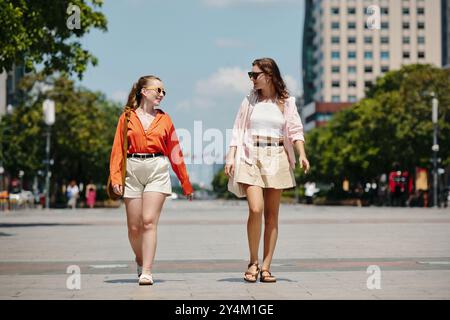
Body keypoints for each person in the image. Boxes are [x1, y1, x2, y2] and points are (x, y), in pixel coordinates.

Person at [225, 58, 310, 283]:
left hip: (278, 157)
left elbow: (295, 130)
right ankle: (253, 261)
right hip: (251, 156)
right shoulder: (249, 101)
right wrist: (231, 156)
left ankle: (266, 266)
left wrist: (301, 154)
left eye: (255, 75)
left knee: (272, 216)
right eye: (250, 75)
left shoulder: (286, 102)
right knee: (256, 209)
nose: (251, 79)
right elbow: (237, 129)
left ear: (269, 75)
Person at [110, 75, 194, 286]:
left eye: (164, 92)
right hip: (132, 170)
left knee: (148, 221)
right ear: (144, 92)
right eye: (158, 90)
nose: (162, 95)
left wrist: (185, 182)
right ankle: (139, 259)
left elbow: (175, 153)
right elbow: (118, 149)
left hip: (157, 168)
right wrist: (115, 177)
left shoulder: (165, 120)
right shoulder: (127, 118)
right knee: (134, 228)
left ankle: (147, 270)